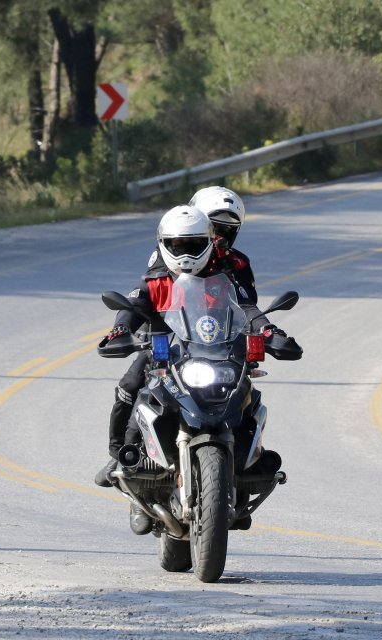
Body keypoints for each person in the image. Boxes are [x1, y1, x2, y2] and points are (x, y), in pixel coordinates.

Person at [93, 205, 288, 533]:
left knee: (247, 394)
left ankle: (245, 465)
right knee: (133, 386)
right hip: (166, 347)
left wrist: (271, 333)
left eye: (194, 244)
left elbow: (248, 307)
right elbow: (136, 305)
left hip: (214, 349)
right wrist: (120, 331)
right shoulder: (156, 273)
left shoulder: (227, 272)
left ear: (208, 241)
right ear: (164, 243)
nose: (185, 252)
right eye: (177, 245)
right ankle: (123, 458)